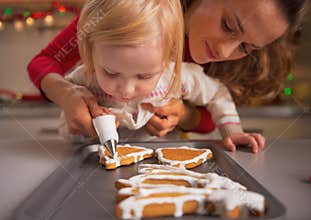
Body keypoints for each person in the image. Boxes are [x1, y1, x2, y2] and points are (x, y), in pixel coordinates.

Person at [28, 0, 308, 152]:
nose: (224, 50)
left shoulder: (185, 75)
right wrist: (67, 94)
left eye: (246, 47)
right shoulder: (122, 12)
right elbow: (43, 62)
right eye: (227, 25)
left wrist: (183, 115)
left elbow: (212, 103)